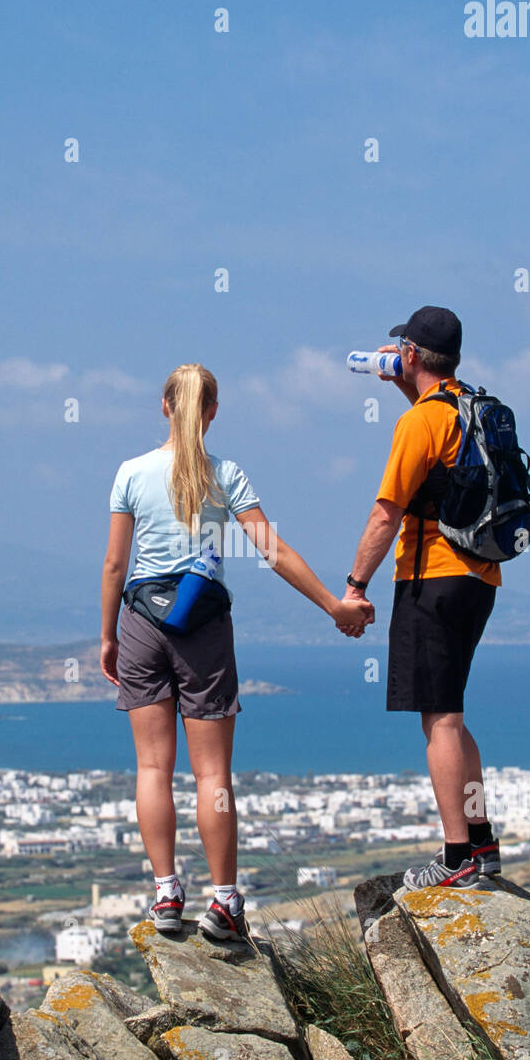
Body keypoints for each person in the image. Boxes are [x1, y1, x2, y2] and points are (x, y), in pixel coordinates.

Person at [101, 363, 372, 940]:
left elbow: (114, 566)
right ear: (214, 412)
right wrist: (333, 605)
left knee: (152, 767)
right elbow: (271, 550)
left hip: (141, 624)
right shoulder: (227, 476)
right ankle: (223, 903)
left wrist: (108, 637)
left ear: (165, 406)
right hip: (204, 628)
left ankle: (166, 894)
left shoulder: (130, 473)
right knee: (213, 774)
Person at [342, 306, 501, 891]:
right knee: (453, 715)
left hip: (430, 578)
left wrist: (355, 586)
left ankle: (457, 854)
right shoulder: (472, 409)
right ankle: (482, 843)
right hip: (479, 579)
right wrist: (410, 390)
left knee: (440, 719)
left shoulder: (419, 424)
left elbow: (387, 514)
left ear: (409, 354)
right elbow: (445, 463)